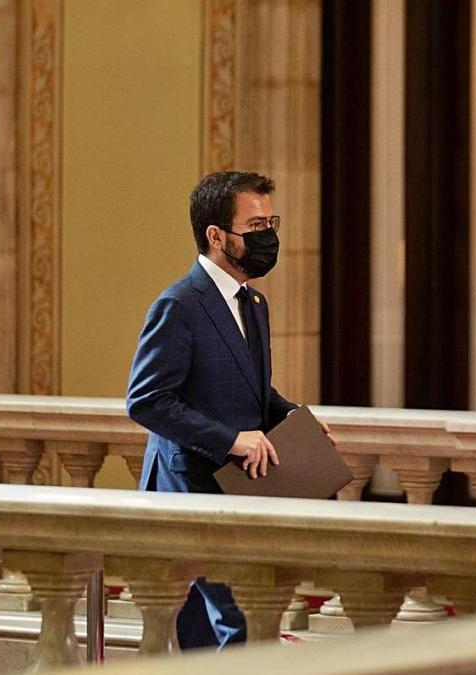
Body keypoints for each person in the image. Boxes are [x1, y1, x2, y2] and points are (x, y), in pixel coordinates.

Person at [125, 170, 332, 649]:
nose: (268, 236)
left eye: (270, 223)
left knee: (208, 632)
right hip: (191, 484)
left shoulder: (253, 301)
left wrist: (296, 421)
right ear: (216, 236)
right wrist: (231, 438)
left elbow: (251, 390)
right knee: (240, 625)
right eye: (255, 227)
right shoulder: (179, 304)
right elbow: (147, 399)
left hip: (237, 487)